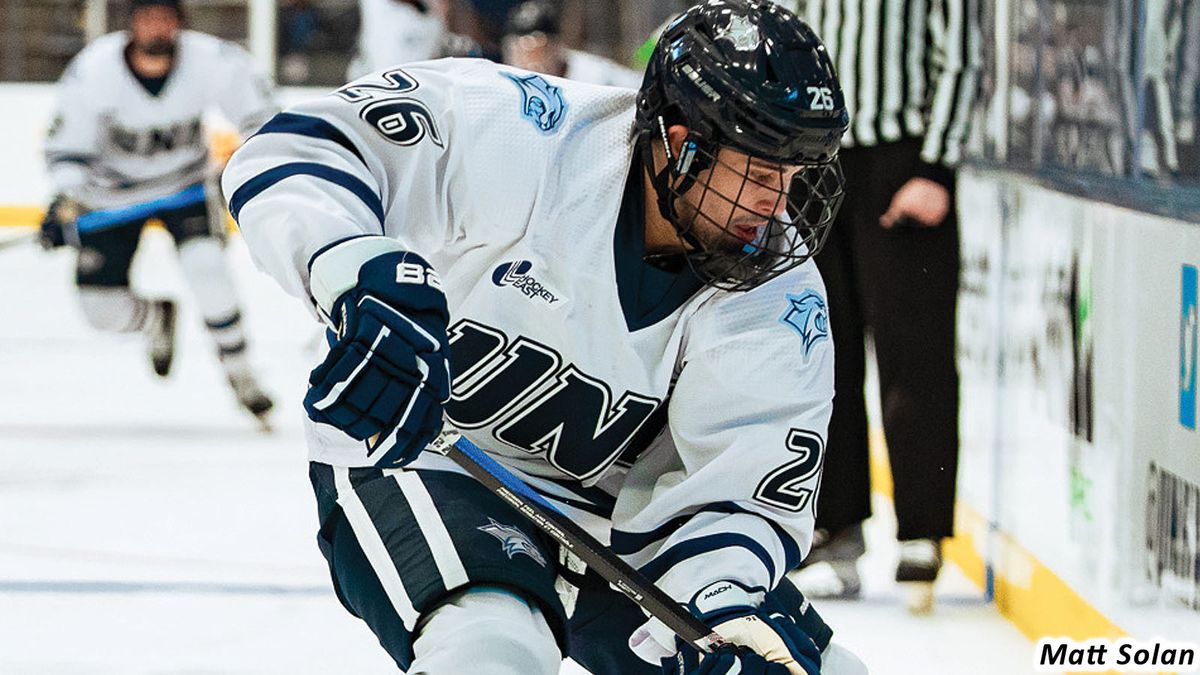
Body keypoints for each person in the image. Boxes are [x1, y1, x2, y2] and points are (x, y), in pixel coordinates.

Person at [224, 1, 867, 672]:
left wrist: (719, 604)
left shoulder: (781, 295)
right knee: (493, 647)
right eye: (761, 173)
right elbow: (295, 149)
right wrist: (358, 273)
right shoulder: (521, 133)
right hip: (426, 451)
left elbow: (732, 491)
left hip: (612, 525)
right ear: (681, 141)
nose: (777, 204)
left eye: (794, 177)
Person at [785, 0, 980, 613]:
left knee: (914, 355)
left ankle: (922, 528)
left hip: (902, 162)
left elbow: (964, 60)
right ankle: (835, 528)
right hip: (814, 163)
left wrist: (936, 167)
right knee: (821, 353)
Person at [40, 0, 277, 425]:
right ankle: (156, 318)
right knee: (101, 312)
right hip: (109, 196)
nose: (157, 27)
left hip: (185, 188)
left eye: (166, 17)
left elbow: (264, 120)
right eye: (147, 17)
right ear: (131, 25)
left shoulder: (212, 60)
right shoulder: (94, 70)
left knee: (209, 272)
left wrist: (242, 165)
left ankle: (242, 376)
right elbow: (66, 150)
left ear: (180, 23)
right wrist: (68, 202)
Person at [501, 0, 642, 88]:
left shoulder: (596, 77)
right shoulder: (503, 83)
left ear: (557, 48)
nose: (530, 60)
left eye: (539, 49)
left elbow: (640, 87)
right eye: (520, 51)